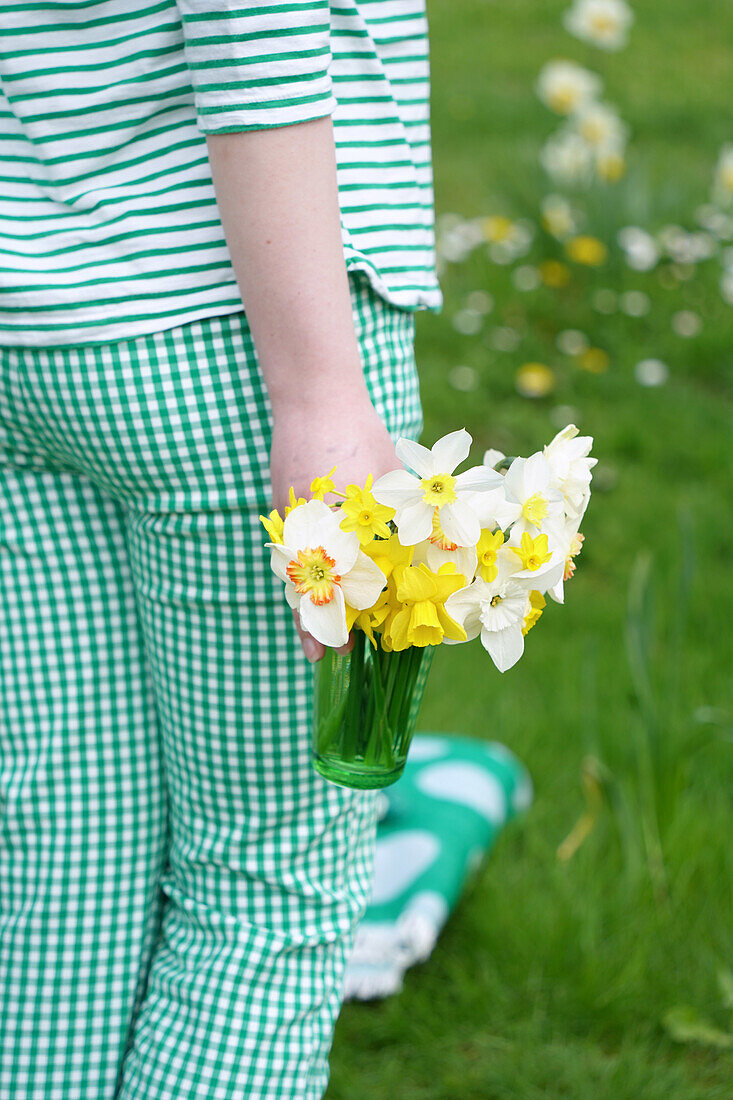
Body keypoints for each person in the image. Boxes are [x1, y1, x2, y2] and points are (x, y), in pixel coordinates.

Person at [0, 0, 442, 1096]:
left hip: (29, 336)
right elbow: (257, 29)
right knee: (273, 876)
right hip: (240, 340)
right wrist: (320, 388)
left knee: (63, 848)